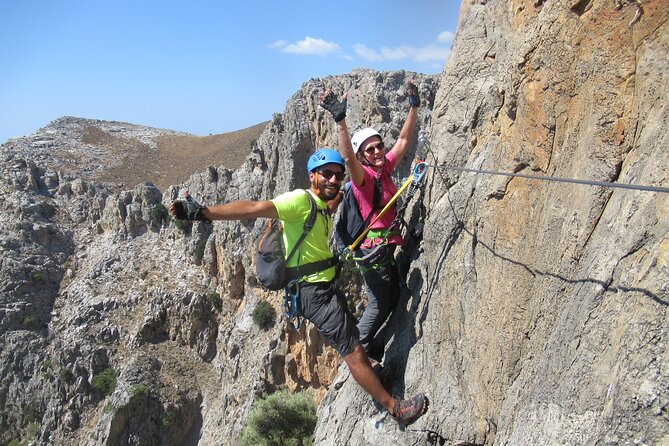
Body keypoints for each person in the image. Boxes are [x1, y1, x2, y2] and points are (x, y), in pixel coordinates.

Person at [169, 148, 428, 425]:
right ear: (312, 176)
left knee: (352, 334)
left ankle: (373, 373)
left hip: (322, 287)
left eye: (337, 175)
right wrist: (205, 213)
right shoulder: (299, 201)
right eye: (326, 173)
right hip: (312, 293)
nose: (333, 179)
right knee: (351, 351)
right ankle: (394, 408)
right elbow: (254, 208)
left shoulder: (324, 202)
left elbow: (350, 188)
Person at [318, 80, 420, 368]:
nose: (376, 152)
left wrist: (414, 107)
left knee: (390, 299)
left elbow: (402, 141)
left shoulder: (385, 168)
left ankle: (368, 344)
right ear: (362, 156)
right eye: (370, 150)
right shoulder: (363, 180)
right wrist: (340, 120)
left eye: (378, 147)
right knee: (378, 303)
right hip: (372, 253)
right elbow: (347, 158)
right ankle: (358, 353)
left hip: (382, 250)